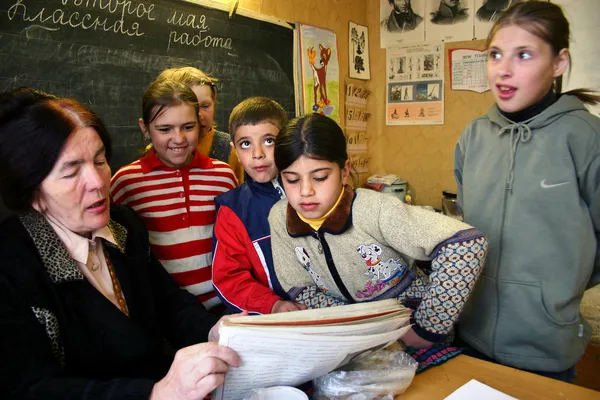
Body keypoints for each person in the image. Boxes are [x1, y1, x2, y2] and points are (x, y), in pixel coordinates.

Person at [0, 88, 241, 399]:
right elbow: (30, 388)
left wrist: (215, 330)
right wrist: (155, 393)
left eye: (100, 161)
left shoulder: (124, 226)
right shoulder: (11, 264)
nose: (98, 182)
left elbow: (166, 301)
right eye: (72, 172)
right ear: (32, 190)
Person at [454, 1, 600, 381]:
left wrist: (556, 291)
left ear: (559, 63)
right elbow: (468, 230)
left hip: (545, 346)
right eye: (496, 54)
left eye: (524, 55)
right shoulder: (474, 136)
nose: (503, 70)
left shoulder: (585, 138)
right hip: (469, 334)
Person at [268, 113, 488, 348]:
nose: (305, 191)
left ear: (344, 172)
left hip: (413, 331)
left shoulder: (375, 210)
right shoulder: (280, 218)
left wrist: (427, 328)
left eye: (320, 177)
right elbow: (299, 287)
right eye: (291, 180)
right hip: (359, 339)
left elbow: (467, 245)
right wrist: (358, 327)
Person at [110, 79, 237, 312]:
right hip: (165, 314)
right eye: (165, 129)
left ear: (200, 124)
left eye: (188, 127)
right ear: (145, 128)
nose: (178, 139)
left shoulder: (223, 175)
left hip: (224, 306)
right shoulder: (125, 182)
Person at [212, 97, 307, 314]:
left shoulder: (309, 191)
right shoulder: (232, 209)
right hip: (273, 322)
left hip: (329, 313)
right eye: (245, 144)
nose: (258, 154)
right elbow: (229, 279)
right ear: (234, 149)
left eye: (268, 141)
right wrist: (272, 305)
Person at [156, 66, 244, 183]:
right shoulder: (158, 149)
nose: (199, 115)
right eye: (191, 107)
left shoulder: (231, 148)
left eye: (205, 106)